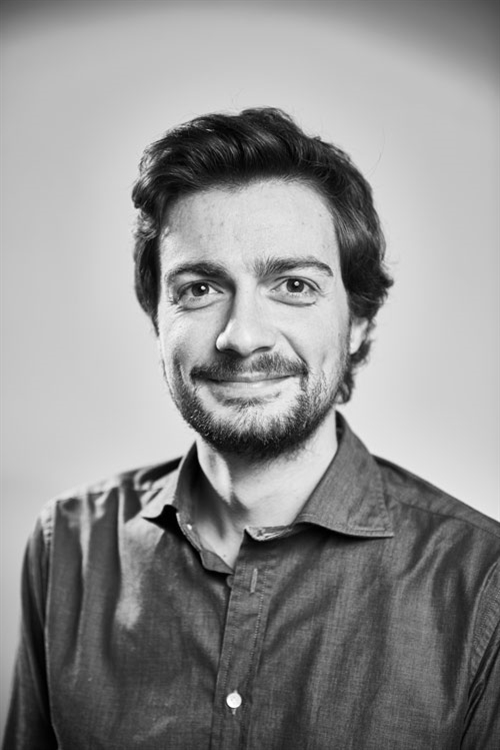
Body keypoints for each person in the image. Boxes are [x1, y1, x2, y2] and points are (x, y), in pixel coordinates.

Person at [3, 108, 499, 750]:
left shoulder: (481, 583)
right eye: (200, 288)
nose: (242, 336)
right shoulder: (69, 547)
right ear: (157, 319)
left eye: (293, 285)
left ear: (357, 323)